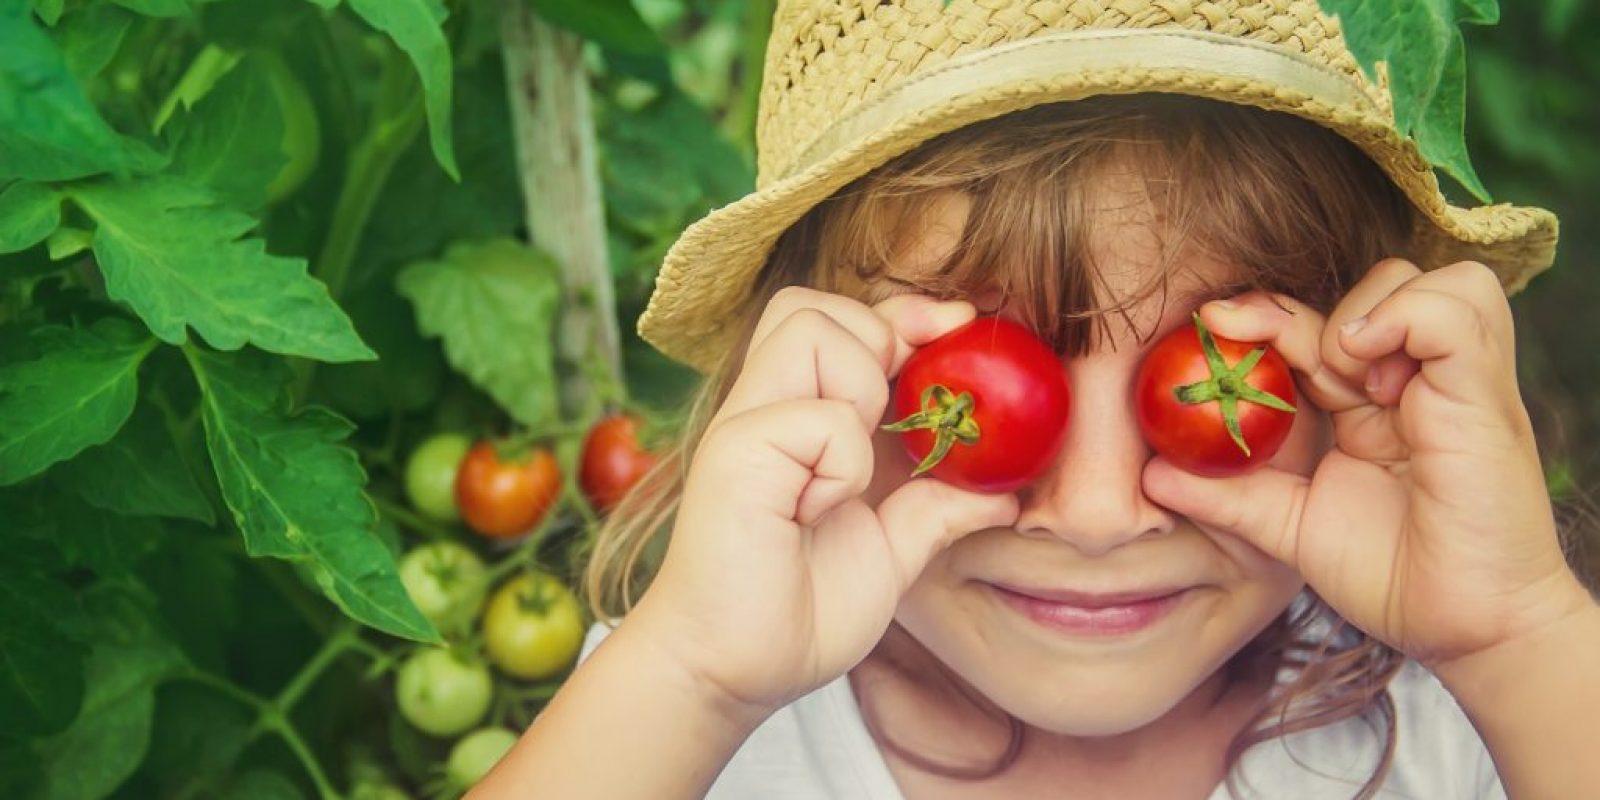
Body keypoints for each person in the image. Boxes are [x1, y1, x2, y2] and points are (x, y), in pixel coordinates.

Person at [471, 1, 1599, 797]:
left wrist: (1515, 636)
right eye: (958, 376)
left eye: (1223, 370)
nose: (1100, 514)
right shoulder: (676, 723)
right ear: (807, 369)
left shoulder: (1479, 729)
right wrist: (691, 675)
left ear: (1359, 381)